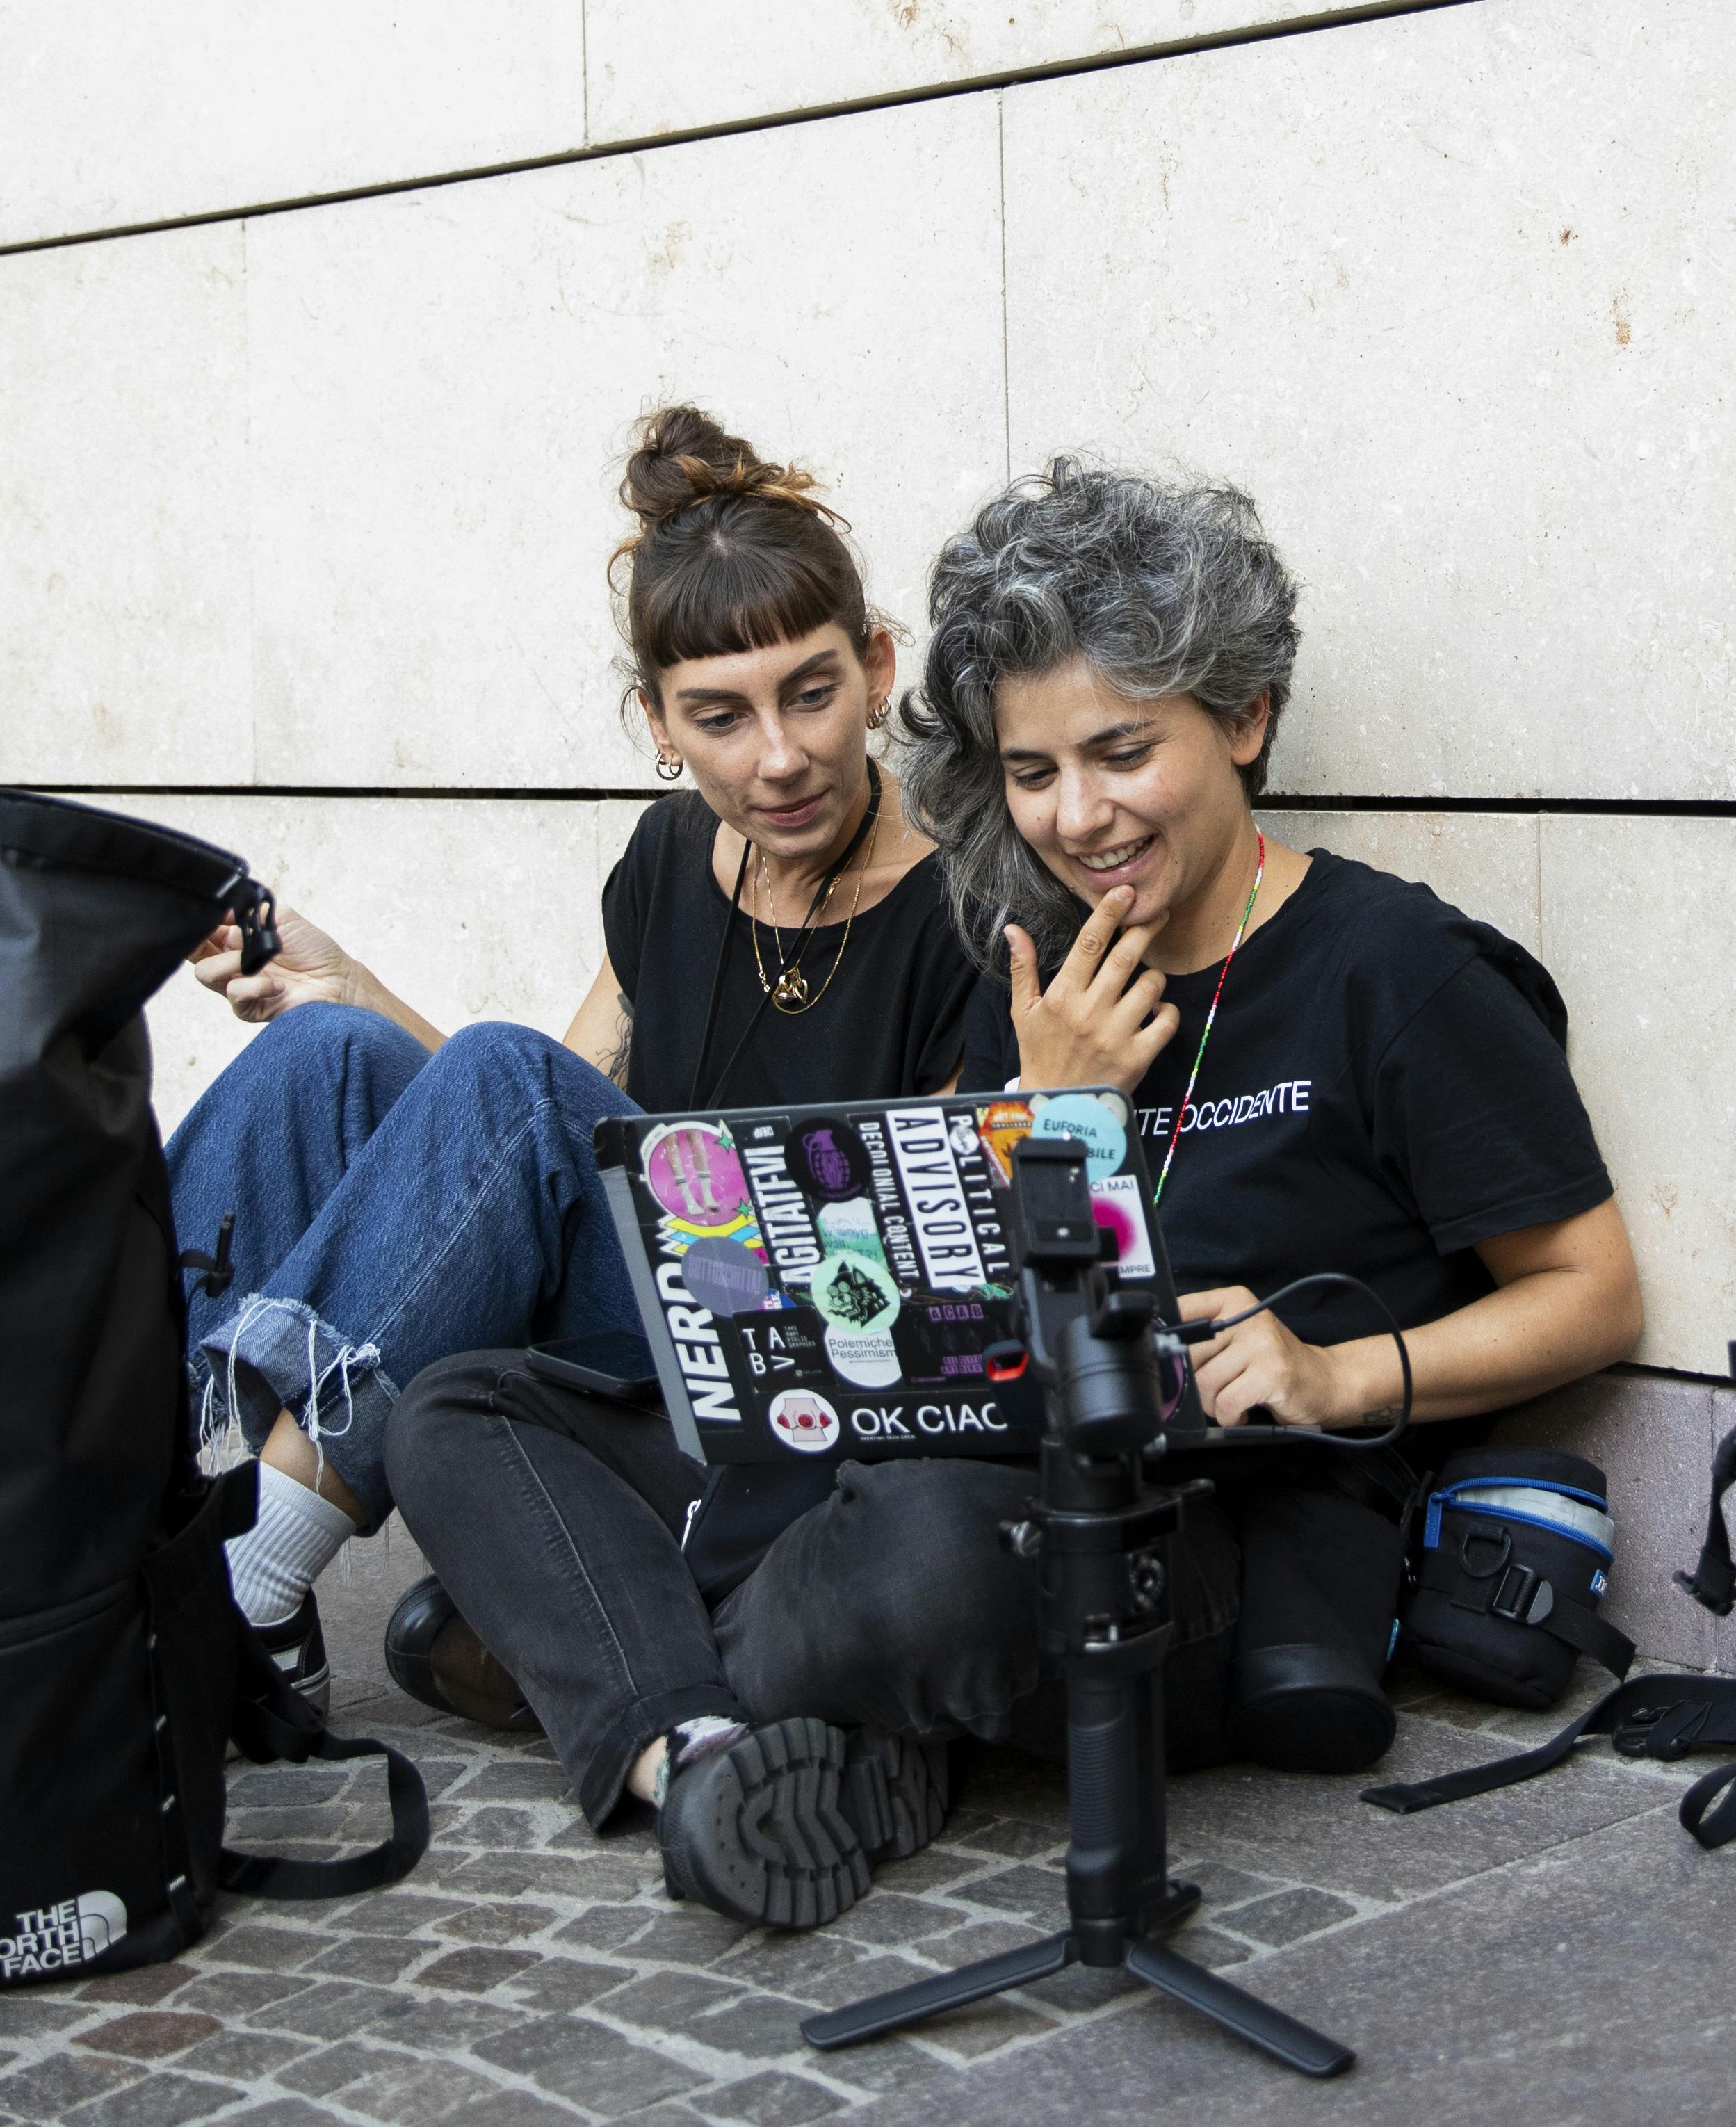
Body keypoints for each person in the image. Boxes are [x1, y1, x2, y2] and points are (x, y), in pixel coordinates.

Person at [377, 457, 1641, 1934]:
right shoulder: (1027, 960)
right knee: (456, 1410)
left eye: (1120, 753)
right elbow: (960, 1325)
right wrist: (1036, 1120)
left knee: (910, 1564)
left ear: (1241, 719)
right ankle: (713, 1746)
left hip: (1180, 1541)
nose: (1078, 816)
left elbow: (1592, 1292)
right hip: (951, 1459)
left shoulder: (1395, 974)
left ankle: (602, 1661)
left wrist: (1338, 1369)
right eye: (1032, 773)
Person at [162, 406, 977, 1710]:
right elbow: (536, 1149)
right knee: (324, 1050)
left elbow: (924, 1279)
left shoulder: (966, 915)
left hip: (785, 1370)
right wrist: (352, 989)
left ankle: (247, 1585)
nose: (779, 757)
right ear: (657, 722)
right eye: (719, 716)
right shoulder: (670, 861)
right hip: (633, 1304)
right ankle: (87, 1496)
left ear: (877, 668)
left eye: (812, 693)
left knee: (502, 1073)